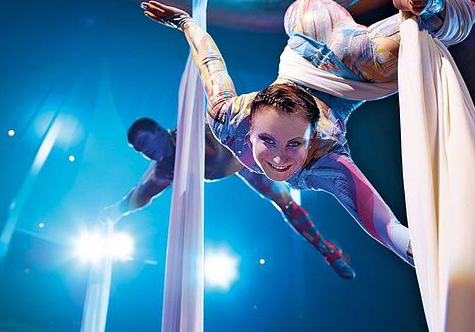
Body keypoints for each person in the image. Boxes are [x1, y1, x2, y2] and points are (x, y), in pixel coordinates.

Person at [141, 0, 475, 267]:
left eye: (293, 143)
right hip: (323, 45)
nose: (279, 158)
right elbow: (388, 227)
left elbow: (210, 61)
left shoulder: (300, 149)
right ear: (251, 127)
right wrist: (427, 258)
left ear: (312, 135)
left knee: (326, 9)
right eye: (270, 141)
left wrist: (186, 24)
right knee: (321, 2)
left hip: (334, 56)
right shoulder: (296, 149)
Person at [104, 118, 356, 279]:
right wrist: (116, 211)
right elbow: (142, 194)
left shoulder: (193, 129)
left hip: (248, 151)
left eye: (145, 142)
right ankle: (326, 249)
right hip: (240, 165)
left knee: (287, 199)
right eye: (140, 150)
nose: (146, 151)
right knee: (283, 201)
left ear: (159, 131)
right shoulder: (166, 169)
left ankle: (326, 247)